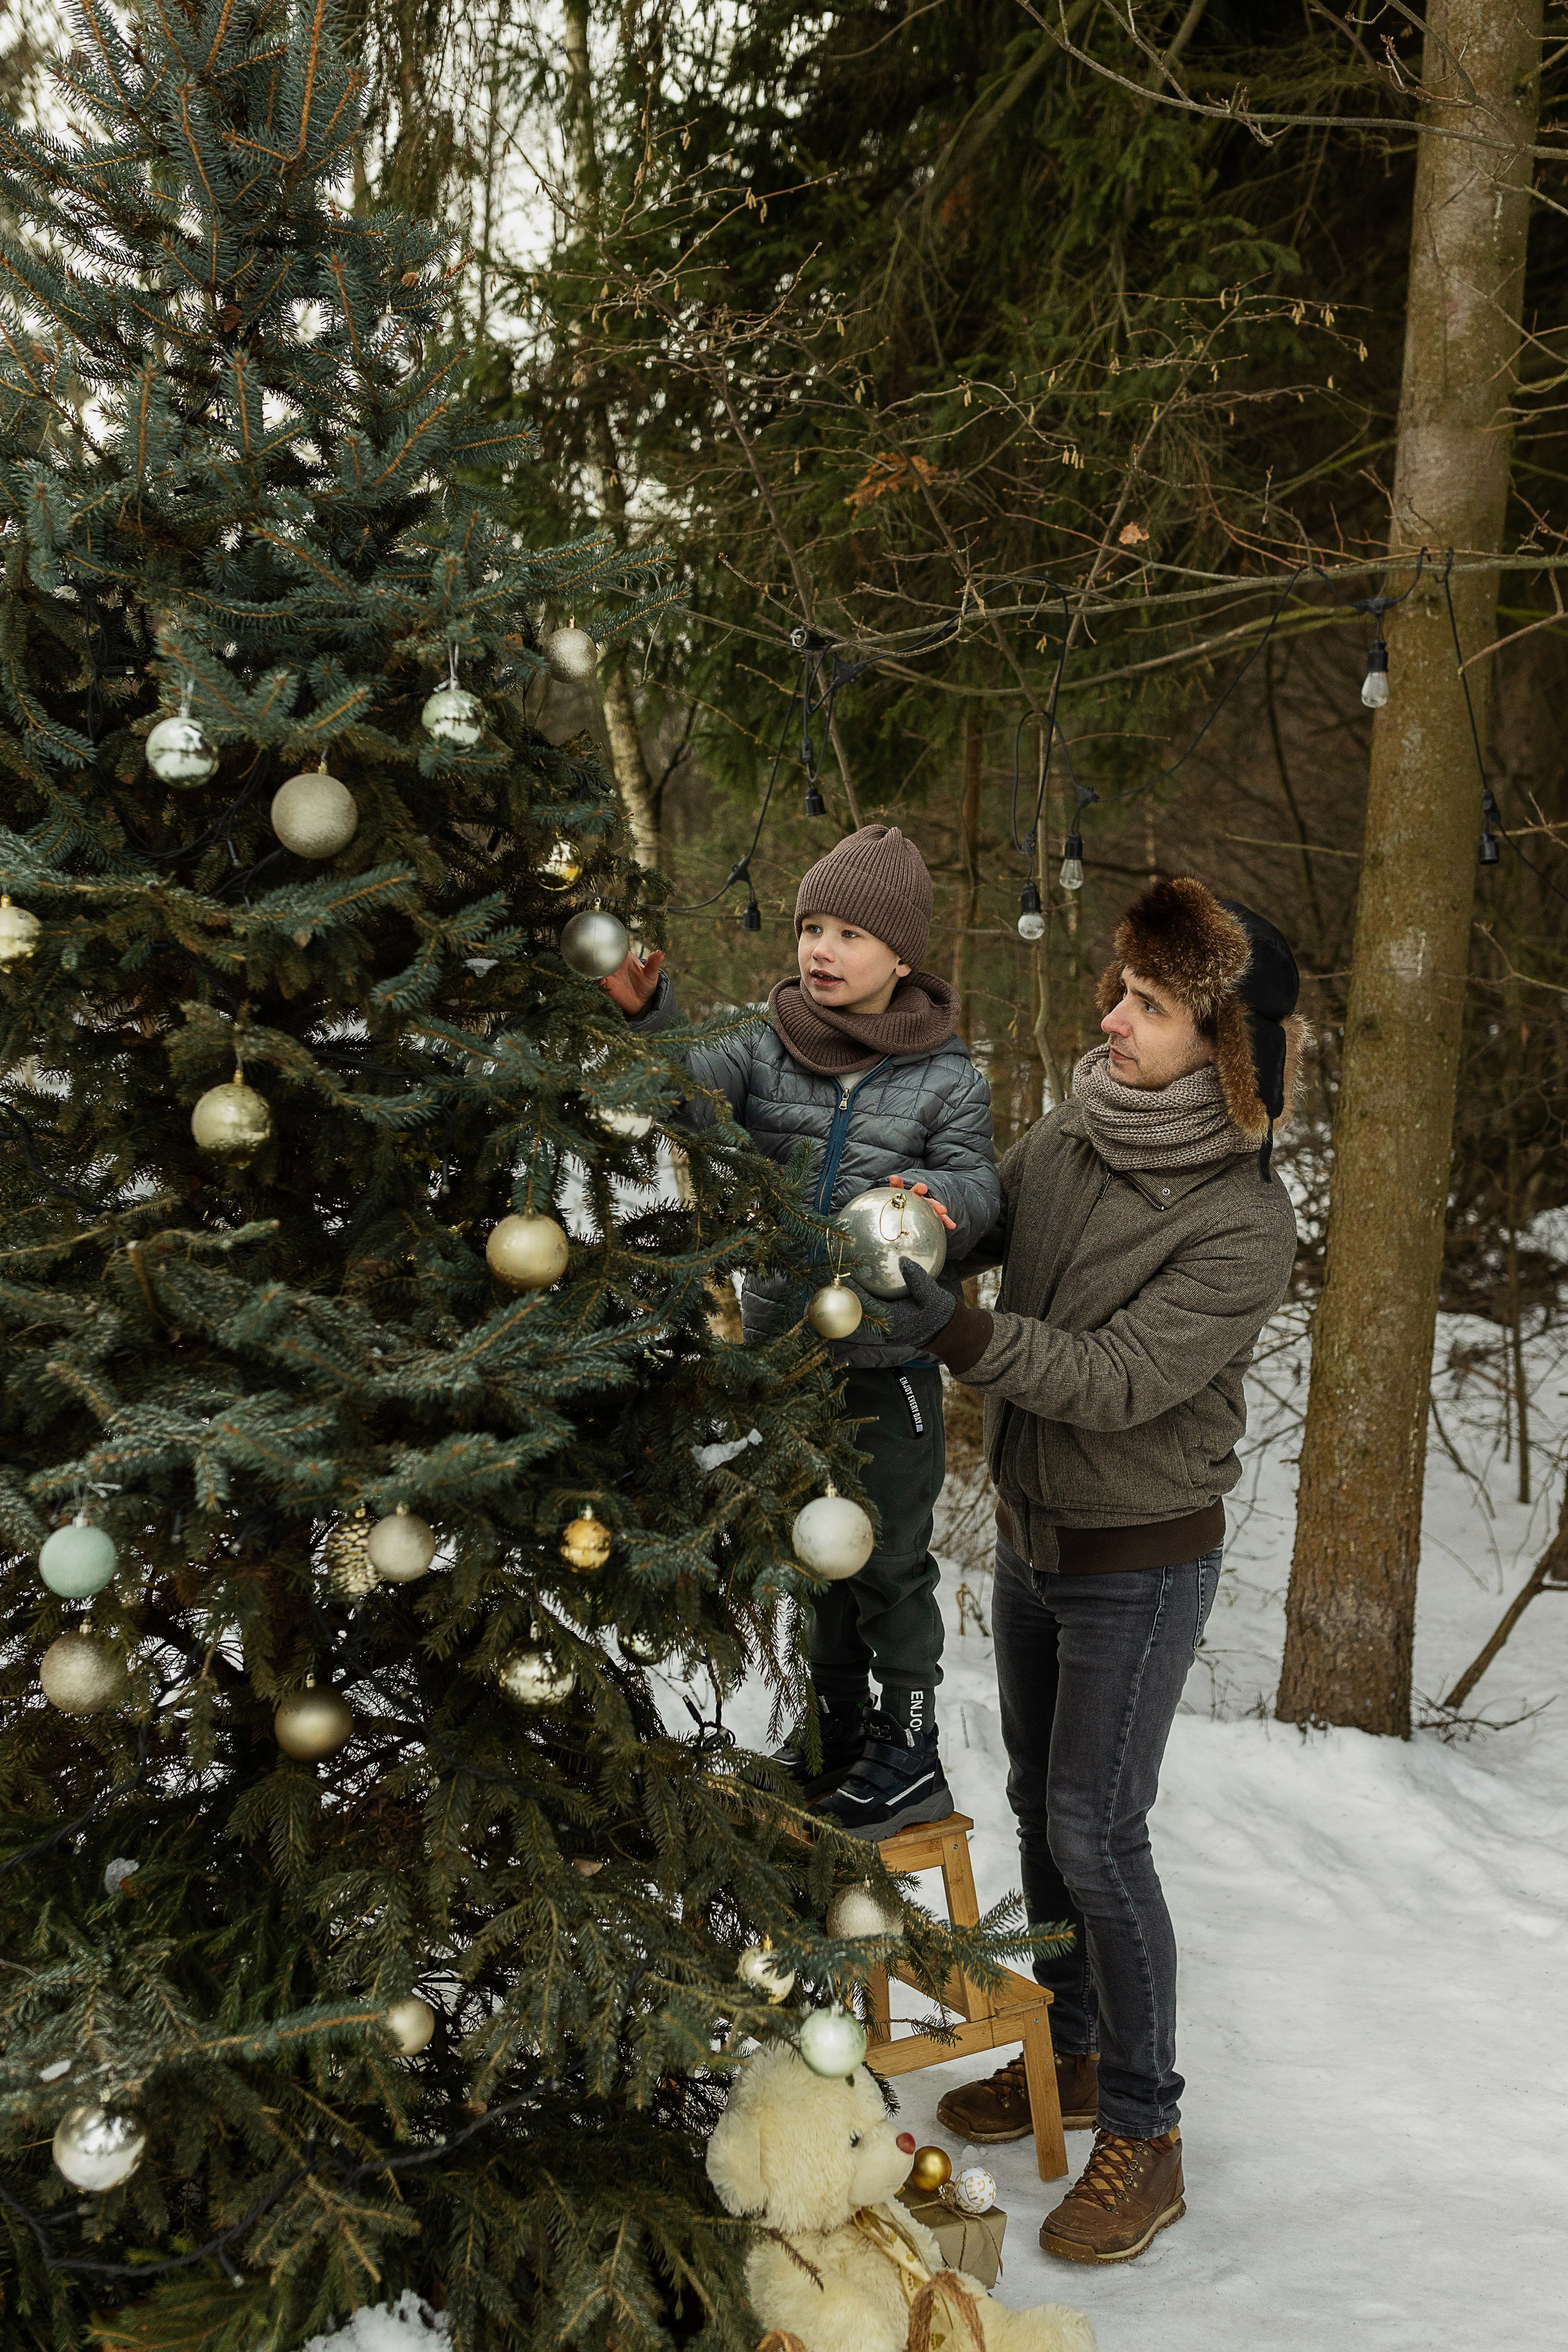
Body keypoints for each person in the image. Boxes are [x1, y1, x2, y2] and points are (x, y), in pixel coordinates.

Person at [877, 874, 1302, 2264]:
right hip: (1031, 1535)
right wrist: (929, 1220)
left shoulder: (1242, 1223)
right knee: (1036, 1804)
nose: (1110, 1017)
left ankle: (1146, 2130)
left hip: (1137, 1558)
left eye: (1148, 1006)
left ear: (1224, 1047)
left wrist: (951, 1333)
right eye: (1119, 989)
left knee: (1096, 1835)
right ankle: (1060, 2055)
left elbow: (1115, 1382)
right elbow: (1008, 1214)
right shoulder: (1082, 1118)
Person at [600, 823, 1000, 1837]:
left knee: (890, 1562)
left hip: (893, 1362)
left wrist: (938, 1196)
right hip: (791, 1360)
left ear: (902, 957)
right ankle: (832, 1736)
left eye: (850, 934)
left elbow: (981, 1186)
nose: (821, 950)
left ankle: (908, 1752)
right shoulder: (759, 1040)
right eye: (811, 927)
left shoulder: (949, 1077)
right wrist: (657, 1024)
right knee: (816, 1551)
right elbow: (689, 1097)